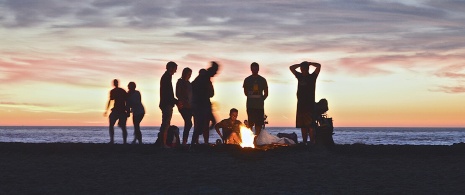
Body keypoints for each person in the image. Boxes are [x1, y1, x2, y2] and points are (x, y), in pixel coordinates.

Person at [289, 61, 321, 144]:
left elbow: (318, 66)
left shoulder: (312, 77)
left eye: (304, 68)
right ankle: (304, 142)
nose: (303, 70)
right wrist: (300, 64)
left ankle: (312, 142)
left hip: (309, 105)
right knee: (302, 126)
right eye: (302, 68)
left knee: (310, 126)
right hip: (301, 105)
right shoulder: (299, 76)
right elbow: (291, 68)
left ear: (307, 69)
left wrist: (309, 63)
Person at [191, 62, 219, 145]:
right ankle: (194, 143)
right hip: (201, 105)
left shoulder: (205, 78)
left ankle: (202, 141)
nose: (216, 73)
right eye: (215, 71)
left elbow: (211, 93)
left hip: (204, 104)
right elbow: (210, 93)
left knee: (208, 123)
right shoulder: (204, 78)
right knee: (201, 125)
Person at [159, 61, 182, 148]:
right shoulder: (166, 78)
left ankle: (163, 143)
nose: (175, 71)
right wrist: (175, 101)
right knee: (166, 123)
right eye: (175, 69)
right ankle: (163, 144)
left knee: (165, 123)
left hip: (166, 103)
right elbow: (168, 93)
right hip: (166, 103)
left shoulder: (167, 77)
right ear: (171, 68)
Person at [243, 62, 268, 136]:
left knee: (259, 123)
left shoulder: (262, 80)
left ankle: (256, 138)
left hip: (259, 106)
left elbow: (266, 93)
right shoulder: (247, 80)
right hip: (250, 105)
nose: (254, 70)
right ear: (251, 69)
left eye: (256, 68)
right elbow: (245, 92)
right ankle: (251, 138)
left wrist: (261, 99)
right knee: (250, 123)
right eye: (253, 68)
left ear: (258, 69)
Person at [104, 79, 129, 144]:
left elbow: (127, 101)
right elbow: (110, 100)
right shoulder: (114, 91)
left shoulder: (122, 91)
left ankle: (124, 142)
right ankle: (112, 140)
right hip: (116, 110)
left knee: (123, 126)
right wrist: (106, 110)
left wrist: (128, 110)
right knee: (112, 125)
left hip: (122, 110)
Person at [176, 67, 193, 145]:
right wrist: (183, 101)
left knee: (188, 123)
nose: (189, 76)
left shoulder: (189, 84)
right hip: (183, 105)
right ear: (184, 73)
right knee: (188, 123)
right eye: (188, 74)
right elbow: (178, 94)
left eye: (190, 74)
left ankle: (185, 141)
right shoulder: (180, 82)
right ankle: (184, 141)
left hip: (190, 106)